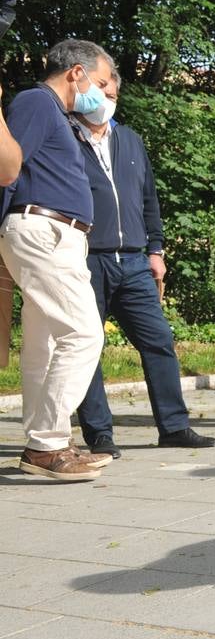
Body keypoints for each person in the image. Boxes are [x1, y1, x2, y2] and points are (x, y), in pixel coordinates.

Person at [72, 73, 215, 458]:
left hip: (135, 260)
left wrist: (157, 250)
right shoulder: (66, 139)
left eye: (114, 94)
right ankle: (100, 434)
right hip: (87, 259)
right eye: (101, 92)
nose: (107, 99)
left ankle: (173, 426)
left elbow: (149, 199)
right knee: (89, 347)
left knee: (158, 341)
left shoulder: (130, 140)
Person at [2, 39, 115, 479]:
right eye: (101, 83)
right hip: (43, 231)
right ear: (76, 74)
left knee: (44, 345)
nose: (104, 95)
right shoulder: (36, 101)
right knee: (84, 333)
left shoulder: (59, 115)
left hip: (53, 234)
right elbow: (7, 167)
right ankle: (47, 444)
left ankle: (45, 442)